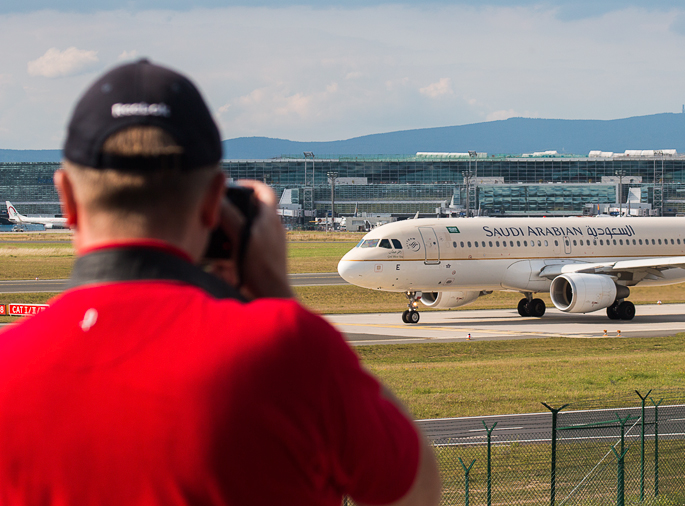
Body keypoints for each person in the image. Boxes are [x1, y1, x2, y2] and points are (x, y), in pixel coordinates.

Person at [0, 59, 440, 506]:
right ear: (214, 202)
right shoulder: (286, 350)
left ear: (67, 199)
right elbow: (415, 491)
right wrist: (275, 293)